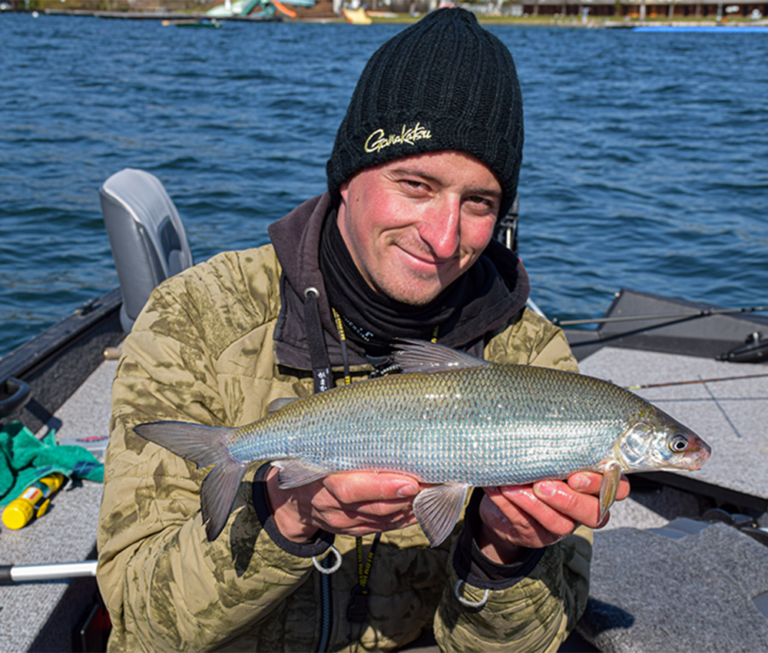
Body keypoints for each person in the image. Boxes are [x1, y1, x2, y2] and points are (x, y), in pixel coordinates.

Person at [97, 8, 629, 652]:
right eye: (415, 184)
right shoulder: (198, 317)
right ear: (347, 177)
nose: (442, 236)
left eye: (479, 202)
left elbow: (530, 644)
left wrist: (502, 553)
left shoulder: (530, 355)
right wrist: (285, 516)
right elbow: (138, 628)